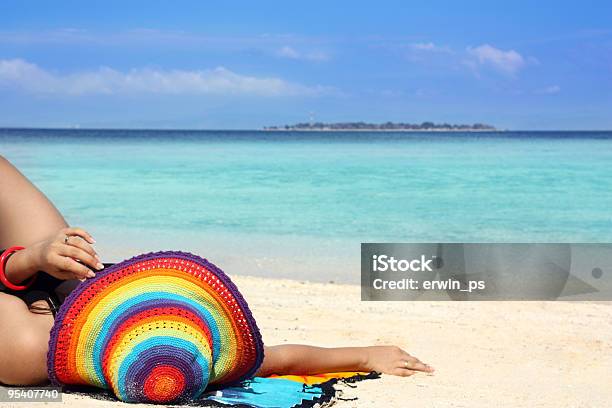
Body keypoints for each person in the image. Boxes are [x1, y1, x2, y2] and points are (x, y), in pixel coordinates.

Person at [0, 154, 434, 386]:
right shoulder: (201, 362)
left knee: (53, 261)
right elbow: (273, 359)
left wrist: (29, 261)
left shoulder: (26, 357)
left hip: (35, 306)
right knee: (63, 261)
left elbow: (274, 360)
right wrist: (362, 355)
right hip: (64, 288)